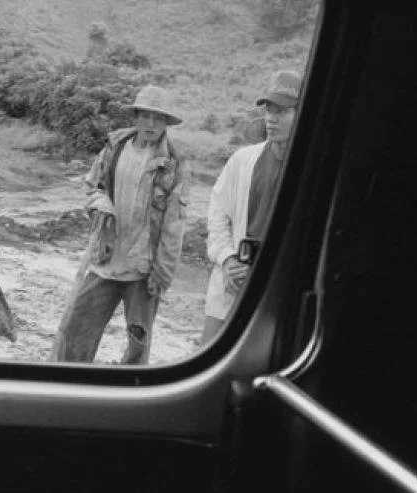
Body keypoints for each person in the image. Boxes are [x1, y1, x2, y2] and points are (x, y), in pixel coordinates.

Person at [50, 85, 190, 365]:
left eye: (158, 118)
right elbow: (92, 185)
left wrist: (162, 273)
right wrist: (101, 203)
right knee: (76, 331)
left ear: (166, 123)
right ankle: (69, 382)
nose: (151, 124)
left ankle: (130, 387)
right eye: (146, 116)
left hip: (143, 269)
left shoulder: (174, 163)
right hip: (105, 259)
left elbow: (174, 224)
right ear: (136, 117)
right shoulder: (114, 148)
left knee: (137, 345)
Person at [200, 70, 302, 344]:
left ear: (302, 114)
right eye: (269, 110)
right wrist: (227, 259)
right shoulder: (242, 160)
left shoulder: (309, 171)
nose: (271, 118)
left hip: (275, 287)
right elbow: (218, 213)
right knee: (210, 350)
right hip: (232, 279)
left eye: (282, 111)